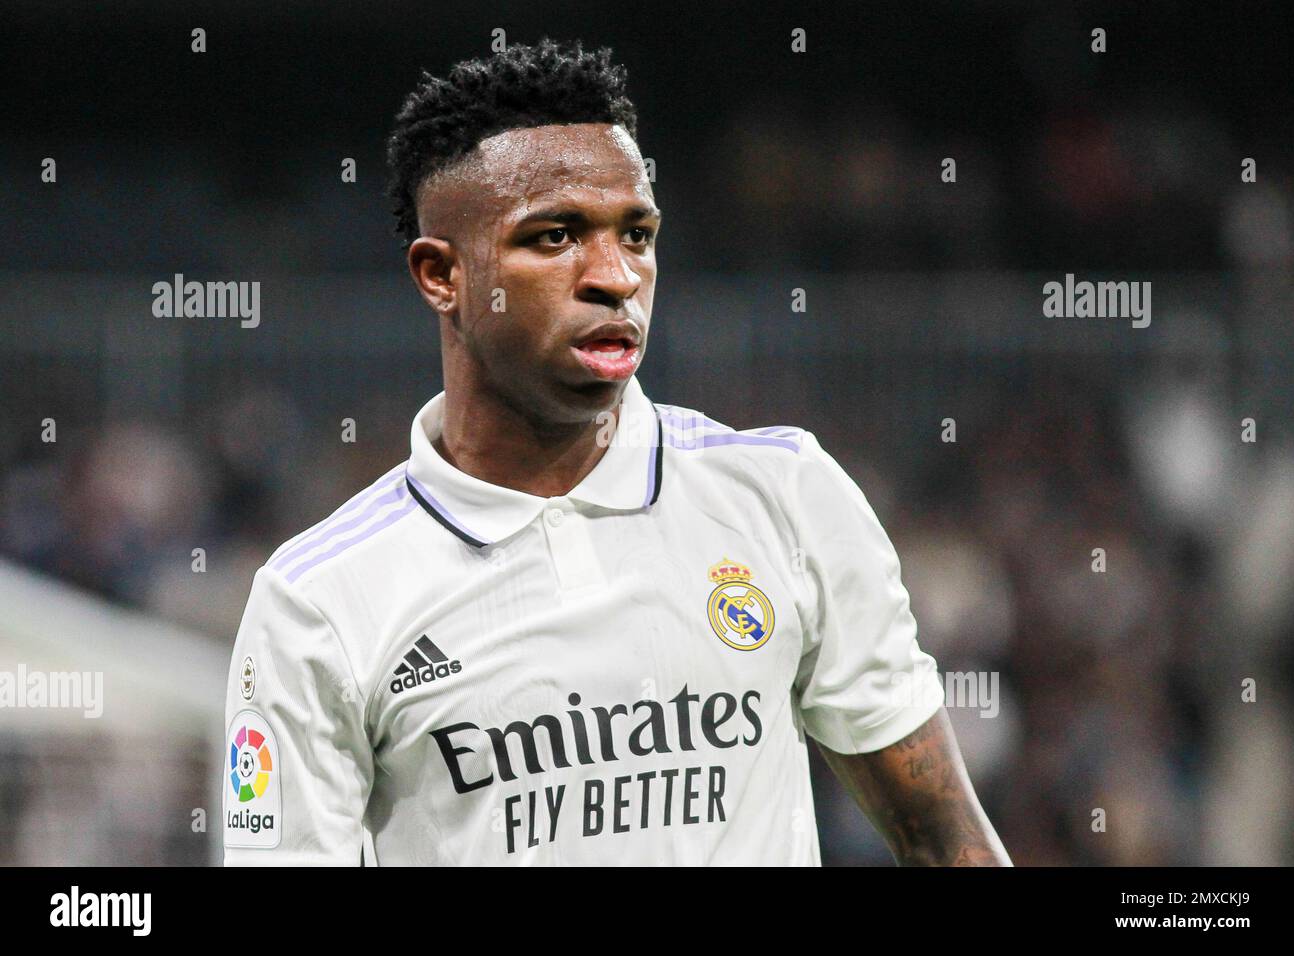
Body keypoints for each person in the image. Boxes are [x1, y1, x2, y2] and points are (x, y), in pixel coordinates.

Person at [223, 37, 1010, 866]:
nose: (616, 276)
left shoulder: (785, 497)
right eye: (556, 237)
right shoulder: (318, 602)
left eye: (636, 234)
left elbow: (944, 837)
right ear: (440, 274)